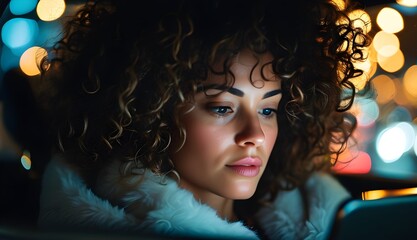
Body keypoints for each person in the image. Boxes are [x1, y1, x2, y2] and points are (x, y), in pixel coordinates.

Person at [36, 0, 371, 239]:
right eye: (222, 108)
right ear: (149, 111)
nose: (253, 134)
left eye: (267, 110)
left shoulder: (326, 220)